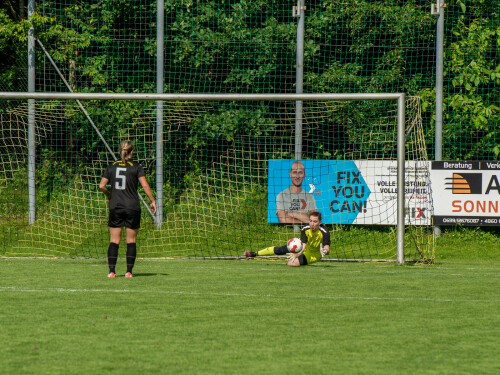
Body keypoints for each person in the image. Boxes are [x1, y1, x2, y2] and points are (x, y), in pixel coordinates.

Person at [99, 140, 156, 278]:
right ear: (131, 152)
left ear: (119, 151)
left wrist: (110, 196)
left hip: (115, 207)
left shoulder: (111, 166)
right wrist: (152, 200)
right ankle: (129, 272)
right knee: (131, 241)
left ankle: (111, 271)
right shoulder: (136, 166)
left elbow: (102, 185)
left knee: (114, 240)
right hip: (132, 207)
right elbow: (145, 185)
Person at [245, 211, 330, 266]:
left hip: (313, 255)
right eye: (310, 221)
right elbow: (303, 245)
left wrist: (324, 251)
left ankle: (289, 261)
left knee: (291, 263)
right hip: (303, 249)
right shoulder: (305, 228)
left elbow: (327, 249)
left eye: (315, 222)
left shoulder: (324, 231)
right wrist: (297, 252)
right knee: (280, 249)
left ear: (319, 222)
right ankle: (255, 253)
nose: (312, 224)